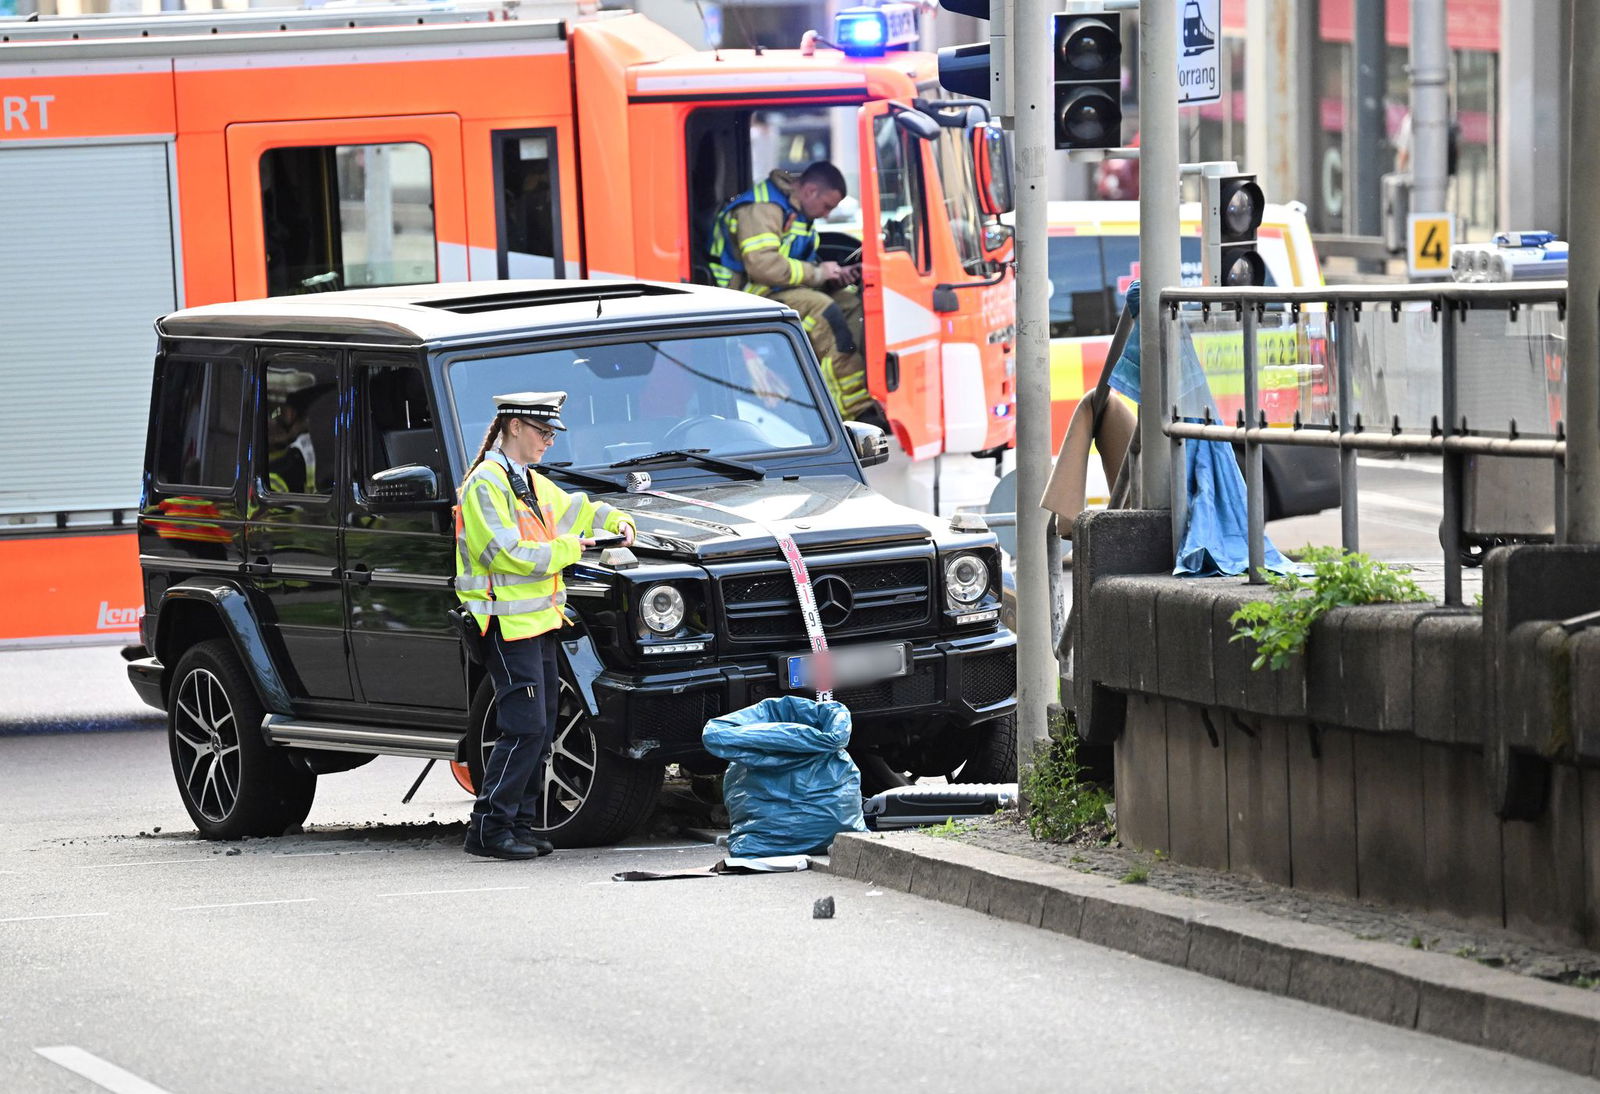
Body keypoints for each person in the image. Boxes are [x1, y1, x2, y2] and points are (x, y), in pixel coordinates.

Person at [454, 391, 636, 860]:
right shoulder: (486, 485)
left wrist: (616, 517)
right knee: (525, 726)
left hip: (539, 625)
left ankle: (519, 823)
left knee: (542, 723)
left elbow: (576, 509)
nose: (550, 441)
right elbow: (507, 554)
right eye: (543, 432)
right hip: (505, 628)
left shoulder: (526, 481)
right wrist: (574, 549)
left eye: (553, 433)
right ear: (514, 426)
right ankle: (489, 828)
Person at [708, 161, 876, 424]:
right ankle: (854, 411)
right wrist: (819, 273)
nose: (827, 215)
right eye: (827, 207)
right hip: (744, 294)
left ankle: (860, 391)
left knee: (851, 304)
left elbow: (794, 261)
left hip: (776, 289)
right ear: (809, 191)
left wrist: (835, 277)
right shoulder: (762, 208)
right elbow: (763, 267)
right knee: (824, 310)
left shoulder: (796, 210)